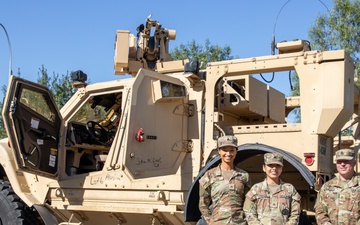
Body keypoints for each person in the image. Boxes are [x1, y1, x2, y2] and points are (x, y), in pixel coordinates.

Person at [198, 135, 251, 225]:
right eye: (224, 150)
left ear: (236, 152)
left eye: (232, 150)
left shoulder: (244, 176)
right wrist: (210, 221)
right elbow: (203, 204)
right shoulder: (209, 175)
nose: (228, 154)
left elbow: (249, 202)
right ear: (219, 151)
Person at [243, 152, 301, 225]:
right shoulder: (256, 189)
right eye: (270, 165)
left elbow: (295, 214)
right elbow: (249, 212)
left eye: (278, 166)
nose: (274, 168)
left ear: (281, 168)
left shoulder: (289, 189)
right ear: (264, 168)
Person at [314, 148, 360, 224]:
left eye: (346, 161)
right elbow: (320, 210)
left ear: (354, 163)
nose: (342, 164)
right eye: (339, 162)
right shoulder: (327, 187)